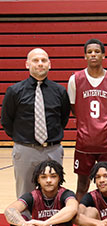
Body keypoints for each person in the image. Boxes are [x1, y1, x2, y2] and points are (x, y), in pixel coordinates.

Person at [1, 48, 70, 198]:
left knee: (53, 193)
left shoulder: (59, 91)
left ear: (49, 64)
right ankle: (25, 221)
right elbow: (7, 121)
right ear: (27, 64)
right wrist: (24, 139)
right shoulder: (14, 91)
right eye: (35, 60)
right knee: (25, 194)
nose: (40, 64)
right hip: (26, 149)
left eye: (43, 61)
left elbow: (63, 119)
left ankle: (52, 221)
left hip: (53, 149)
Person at [67, 38, 107, 202]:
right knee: (82, 185)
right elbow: (74, 107)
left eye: (97, 51)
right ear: (85, 56)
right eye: (90, 52)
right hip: (85, 142)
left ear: (103, 55)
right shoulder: (75, 79)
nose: (93, 54)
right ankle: (79, 222)